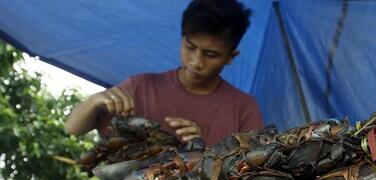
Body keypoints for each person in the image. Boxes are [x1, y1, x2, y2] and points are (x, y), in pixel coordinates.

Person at [65, 0, 264, 147]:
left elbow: (253, 168)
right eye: (190, 47)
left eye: (211, 55)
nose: (196, 62)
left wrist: (206, 148)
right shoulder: (141, 86)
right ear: (181, 39)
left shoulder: (243, 108)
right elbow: (72, 129)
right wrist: (93, 102)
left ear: (231, 56)